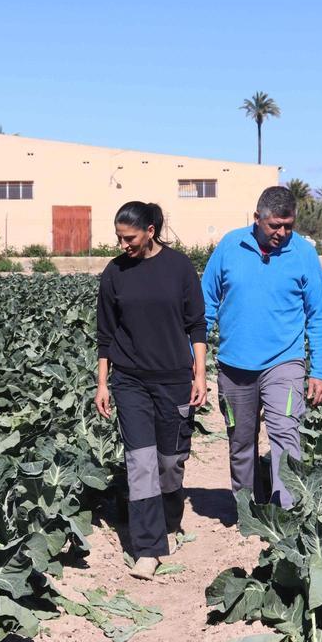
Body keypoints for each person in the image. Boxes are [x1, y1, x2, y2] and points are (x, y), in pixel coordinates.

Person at [95, 202, 207, 580]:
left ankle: (170, 520)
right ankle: (148, 547)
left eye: (129, 238)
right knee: (140, 462)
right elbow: (105, 334)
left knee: (169, 462)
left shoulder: (179, 268)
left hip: (175, 377)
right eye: (119, 238)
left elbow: (197, 326)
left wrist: (200, 375)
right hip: (130, 381)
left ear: (150, 232)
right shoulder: (114, 273)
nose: (123, 244)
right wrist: (102, 383)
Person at [202, 186, 322, 509]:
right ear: (257, 218)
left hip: (283, 362)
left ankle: (287, 514)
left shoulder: (303, 254)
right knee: (240, 441)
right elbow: (204, 306)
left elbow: (318, 315)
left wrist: (319, 371)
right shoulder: (230, 247)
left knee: (285, 437)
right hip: (234, 366)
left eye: (289, 225)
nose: (282, 233)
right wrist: (194, 362)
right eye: (275, 225)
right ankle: (247, 508)